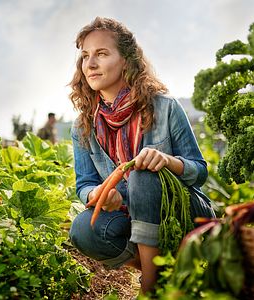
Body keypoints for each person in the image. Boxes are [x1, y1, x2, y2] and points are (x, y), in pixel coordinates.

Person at [68, 17, 215, 296]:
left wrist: (168, 162)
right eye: (86, 56)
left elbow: (200, 170)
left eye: (101, 53)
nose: (91, 64)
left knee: (144, 173)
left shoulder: (165, 107)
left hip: (182, 215)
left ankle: (151, 288)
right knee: (82, 229)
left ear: (126, 60)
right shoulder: (83, 125)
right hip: (132, 218)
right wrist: (97, 194)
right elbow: (83, 183)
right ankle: (160, 270)